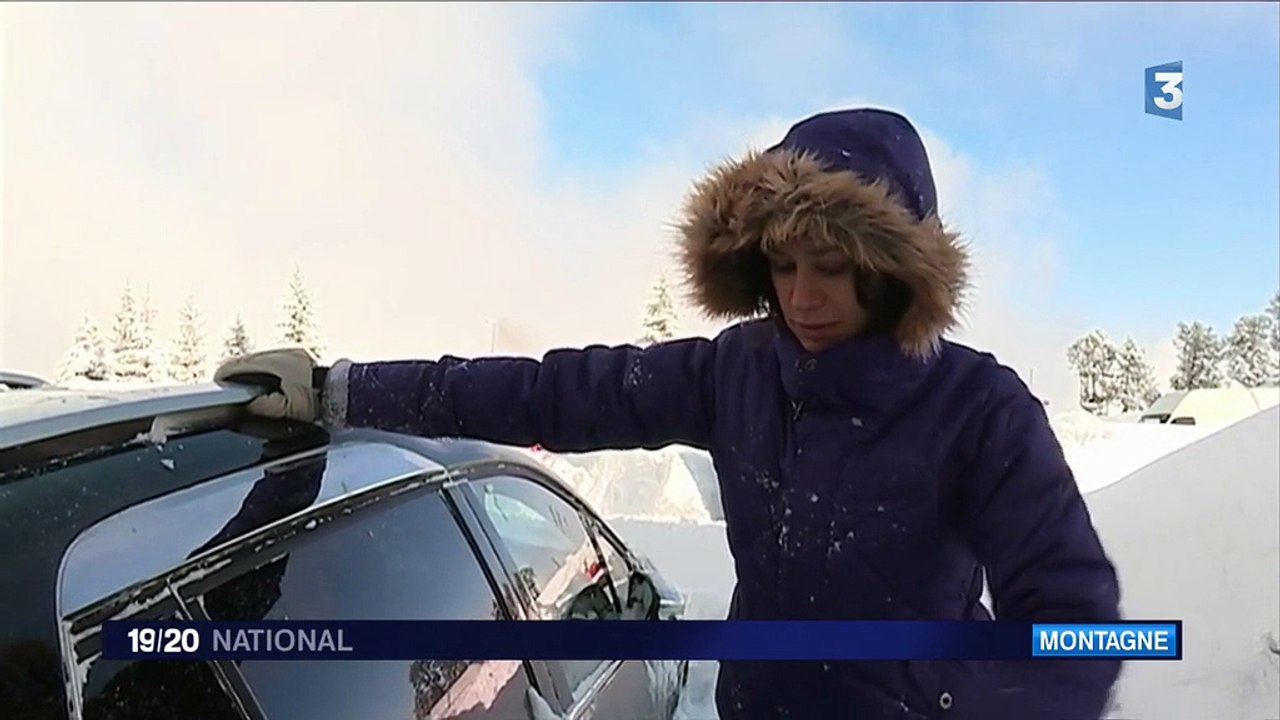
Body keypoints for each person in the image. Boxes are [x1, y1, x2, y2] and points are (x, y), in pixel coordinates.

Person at [214, 108, 1122, 720]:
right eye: (783, 265)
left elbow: (1075, 623)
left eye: (834, 267)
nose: (802, 297)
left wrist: (952, 702)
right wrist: (339, 390)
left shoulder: (980, 410)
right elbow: (549, 392)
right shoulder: (739, 373)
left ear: (894, 270)